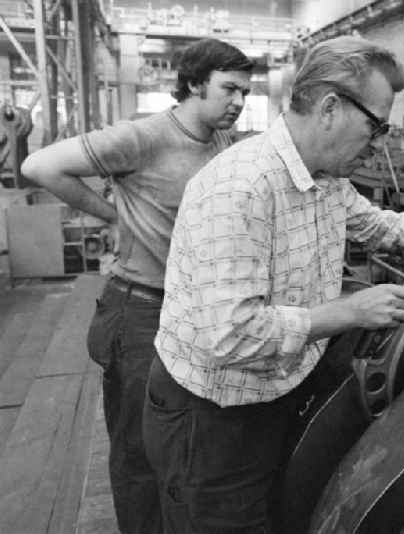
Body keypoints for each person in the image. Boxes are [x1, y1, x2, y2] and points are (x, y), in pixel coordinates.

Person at [142, 35, 404, 533]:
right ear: (330, 108)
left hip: (277, 392)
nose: (378, 144)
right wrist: (352, 311)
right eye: (375, 127)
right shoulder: (241, 188)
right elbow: (232, 335)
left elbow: (379, 226)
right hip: (214, 417)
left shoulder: (324, 180)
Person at [21, 38, 253, 534]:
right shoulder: (144, 137)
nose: (238, 102)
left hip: (189, 312)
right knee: (138, 453)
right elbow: (39, 166)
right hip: (141, 311)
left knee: (179, 442)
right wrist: (114, 215)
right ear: (194, 84)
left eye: (245, 93)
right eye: (229, 89)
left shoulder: (220, 141)